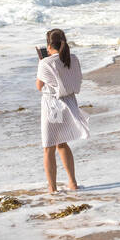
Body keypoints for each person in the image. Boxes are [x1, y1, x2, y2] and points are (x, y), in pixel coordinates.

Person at [37, 28, 89, 193]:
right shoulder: (73, 58)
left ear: (48, 45)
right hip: (70, 103)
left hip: (53, 105)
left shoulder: (45, 63)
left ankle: (52, 188)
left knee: (49, 147)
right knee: (62, 143)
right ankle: (72, 183)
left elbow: (39, 86)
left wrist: (43, 62)